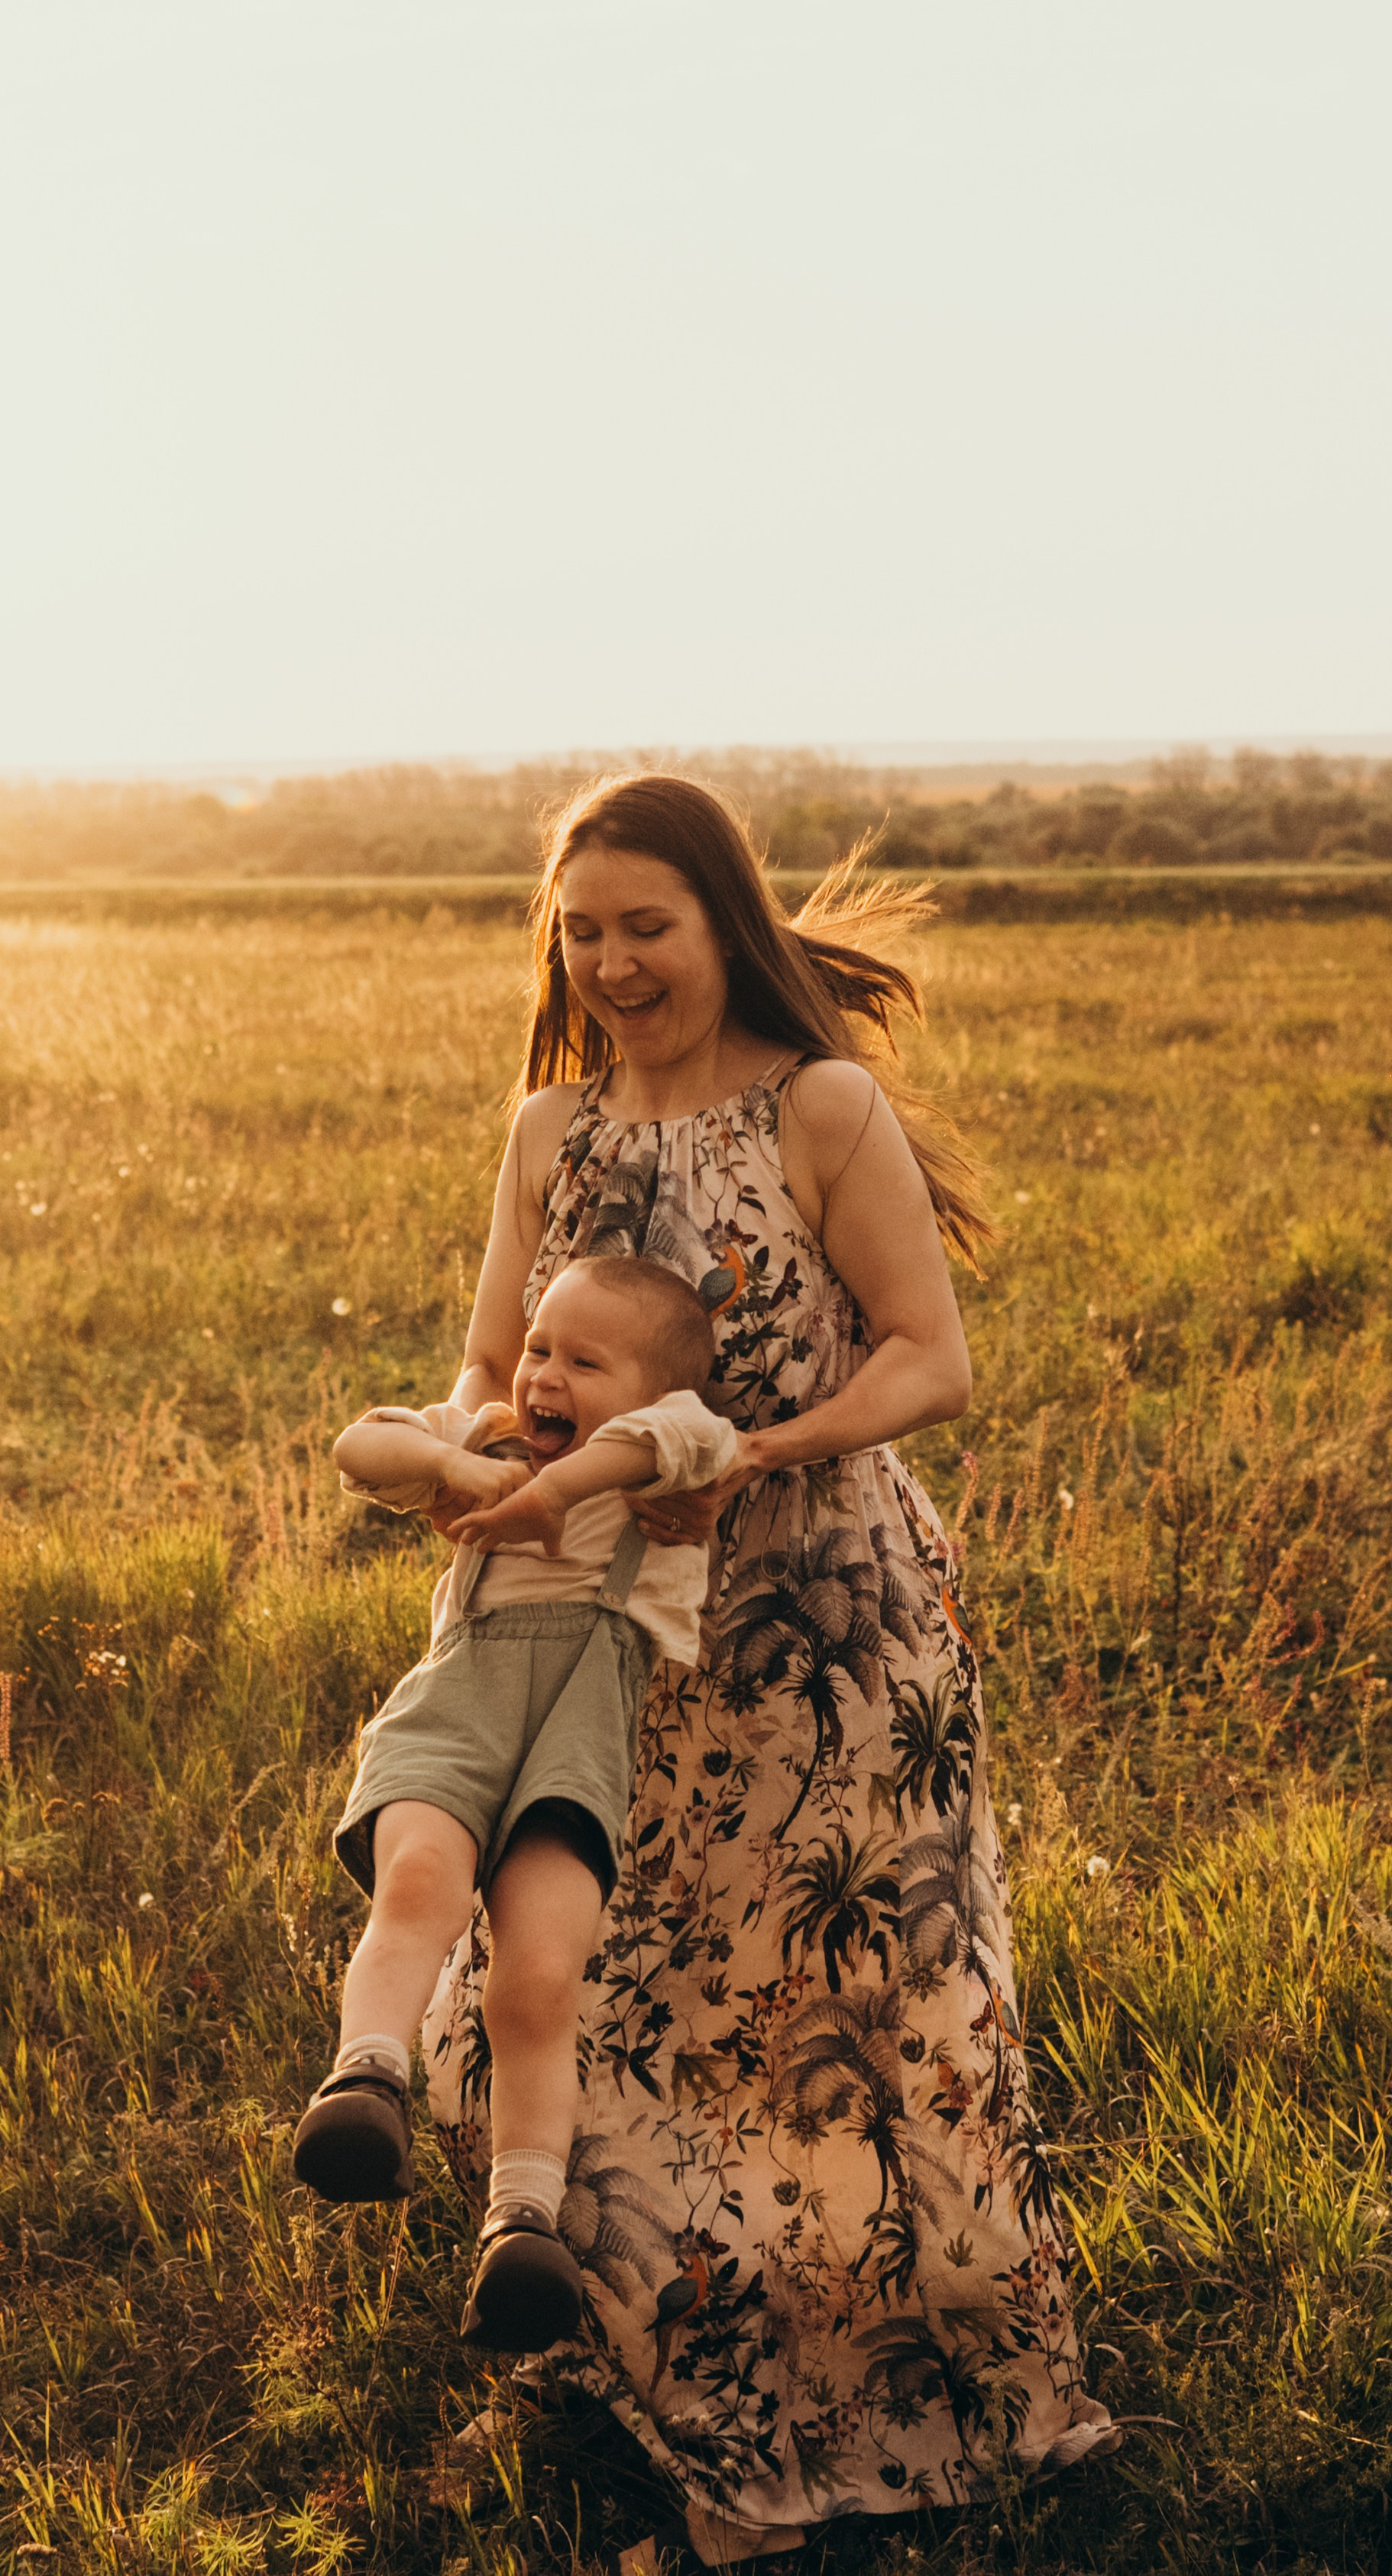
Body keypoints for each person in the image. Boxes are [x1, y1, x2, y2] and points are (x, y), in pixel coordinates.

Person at [419, 775, 1118, 2565]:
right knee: (626, 1997)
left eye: (646, 925)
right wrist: (458, 1446)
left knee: (843, 2014)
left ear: (725, 923)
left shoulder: (819, 1106)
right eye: (582, 929)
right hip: (595, 1633)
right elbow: (490, 1359)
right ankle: (677, 2378)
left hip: (824, 1635)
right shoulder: (549, 1130)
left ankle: (883, 2394)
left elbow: (928, 1360)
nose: (611, 961)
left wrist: (751, 1452)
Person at [293, 1254, 738, 2353]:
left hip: (578, 1736)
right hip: (455, 1709)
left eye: (584, 1361)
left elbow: (680, 1437)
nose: (542, 1375)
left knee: (539, 1975)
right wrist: (462, 1464)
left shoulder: (668, 1458)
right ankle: (365, 2083)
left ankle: (523, 2224)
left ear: (650, 1393)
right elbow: (359, 1450)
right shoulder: (487, 1437)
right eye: (539, 1346)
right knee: (418, 1882)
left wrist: (559, 1490)